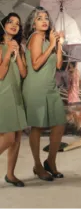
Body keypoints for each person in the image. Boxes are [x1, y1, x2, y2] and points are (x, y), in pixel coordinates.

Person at [23, 6, 66, 181]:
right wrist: (51, 46)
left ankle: (51, 161)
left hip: (50, 87)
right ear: (33, 23)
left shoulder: (48, 38)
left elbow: (58, 65)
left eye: (46, 17)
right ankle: (37, 165)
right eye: (40, 18)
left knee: (59, 124)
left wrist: (59, 44)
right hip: (36, 87)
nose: (44, 20)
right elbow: (35, 64)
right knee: (38, 126)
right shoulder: (36, 37)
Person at [0, 13, 27, 187]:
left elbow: (24, 73)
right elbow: (1, 74)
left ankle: (10, 174)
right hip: (3, 94)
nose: (14, 25)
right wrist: (8, 52)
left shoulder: (19, 47)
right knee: (8, 138)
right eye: (10, 21)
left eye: (17, 23)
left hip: (17, 94)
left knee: (17, 138)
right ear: (3, 24)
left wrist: (16, 53)